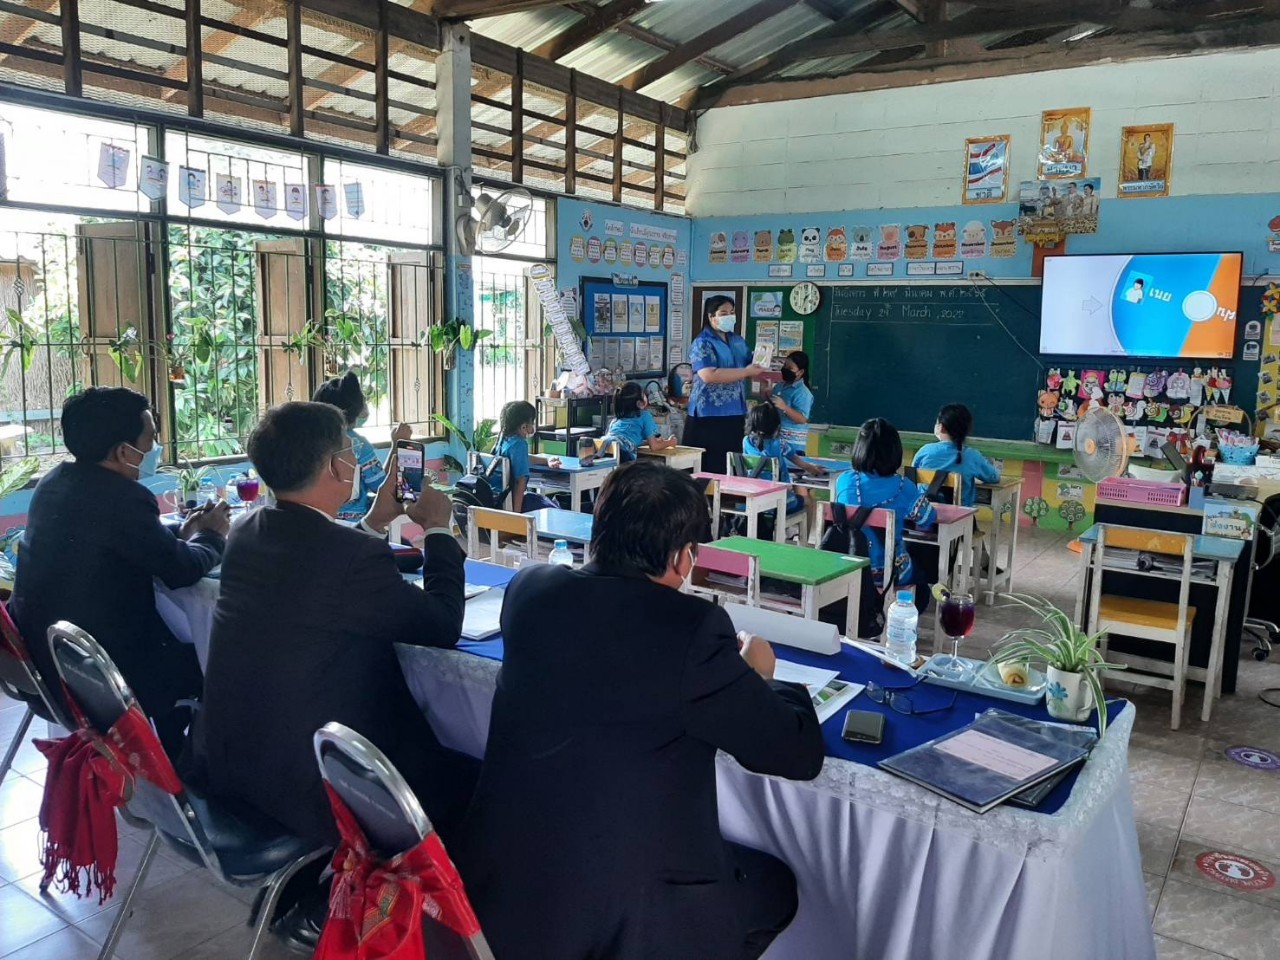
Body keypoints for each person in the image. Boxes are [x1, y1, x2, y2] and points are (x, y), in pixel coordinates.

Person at [458, 460, 824, 960]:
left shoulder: (530, 591)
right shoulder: (693, 630)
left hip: (502, 891)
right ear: (681, 558)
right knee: (774, 885)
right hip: (622, 917)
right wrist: (763, 674)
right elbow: (795, 754)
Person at [188, 401, 474, 852]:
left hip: (235, 760)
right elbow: (441, 625)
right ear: (335, 467)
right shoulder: (350, 558)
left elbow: (317, 566)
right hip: (312, 784)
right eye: (349, 450)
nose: (356, 459)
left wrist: (376, 521)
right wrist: (438, 529)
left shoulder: (246, 529)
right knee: (476, 773)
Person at [10, 387, 229, 756]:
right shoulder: (122, 497)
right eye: (151, 439)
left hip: (46, 663)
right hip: (101, 675)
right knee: (219, 664)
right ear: (124, 452)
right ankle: (186, 767)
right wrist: (212, 535)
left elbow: (127, 544)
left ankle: (173, 760)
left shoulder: (56, 483)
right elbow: (183, 570)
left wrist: (183, 533)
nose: (156, 447)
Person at [835, 418, 936, 593]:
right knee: (923, 580)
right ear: (894, 451)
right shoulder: (903, 486)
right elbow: (928, 518)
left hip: (846, 567)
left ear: (859, 448)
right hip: (888, 574)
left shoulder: (844, 480)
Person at [312, 371, 411, 523]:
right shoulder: (358, 444)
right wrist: (398, 444)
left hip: (318, 520)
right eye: (363, 398)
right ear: (353, 407)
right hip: (353, 525)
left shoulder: (313, 441)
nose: (365, 401)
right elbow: (381, 487)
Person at [683, 295, 766, 473]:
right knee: (707, 467)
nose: (729, 316)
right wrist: (746, 372)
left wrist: (763, 368)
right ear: (711, 316)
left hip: (736, 412)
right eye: (723, 313)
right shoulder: (702, 342)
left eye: (732, 312)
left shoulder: (738, 341)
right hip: (707, 415)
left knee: (732, 466)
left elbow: (750, 364)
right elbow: (708, 375)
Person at [912, 403, 1001, 508]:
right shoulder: (972, 456)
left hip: (924, 513)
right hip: (960, 515)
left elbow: (912, 475)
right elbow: (994, 477)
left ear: (942, 428)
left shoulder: (925, 451)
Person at [743, 401, 823, 516]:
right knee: (810, 502)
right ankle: (807, 529)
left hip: (753, 500)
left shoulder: (746, 442)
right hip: (780, 502)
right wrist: (812, 468)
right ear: (776, 425)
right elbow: (799, 462)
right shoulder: (780, 444)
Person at [495, 399, 557, 513]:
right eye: (532, 422)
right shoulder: (520, 444)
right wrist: (517, 516)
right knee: (553, 508)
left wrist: (546, 460)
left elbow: (521, 459)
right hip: (511, 502)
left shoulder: (503, 440)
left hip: (498, 499)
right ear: (524, 427)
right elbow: (520, 481)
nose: (533, 426)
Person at [601, 381, 677, 462]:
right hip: (622, 453)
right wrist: (670, 443)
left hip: (603, 446)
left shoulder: (615, 420)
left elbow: (627, 438)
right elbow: (654, 446)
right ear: (639, 403)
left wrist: (647, 442)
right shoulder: (645, 415)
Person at [767, 350, 814, 451]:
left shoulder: (803, 392)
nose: (785, 370)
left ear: (800, 372)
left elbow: (802, 419)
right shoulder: (779, 386)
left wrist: (785, 407)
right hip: (776, 439)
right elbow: (773, 406)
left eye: (790, 368)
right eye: (784, 366)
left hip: (793, 444)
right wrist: (765, 394)